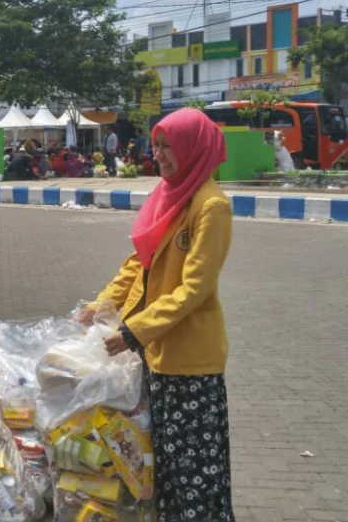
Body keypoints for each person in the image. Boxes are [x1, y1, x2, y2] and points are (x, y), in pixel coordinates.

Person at [81, 108, 235, 522]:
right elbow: (139, 265)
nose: (161, 154)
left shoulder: (210, 206)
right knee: (164, 470)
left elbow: (194, 289)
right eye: (158, 145)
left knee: (196, 477)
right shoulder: (168, 196)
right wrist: (102, 306)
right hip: (158, 358)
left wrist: (133, 332)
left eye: (170, 146)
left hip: (191, 364)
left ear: (194, 147)